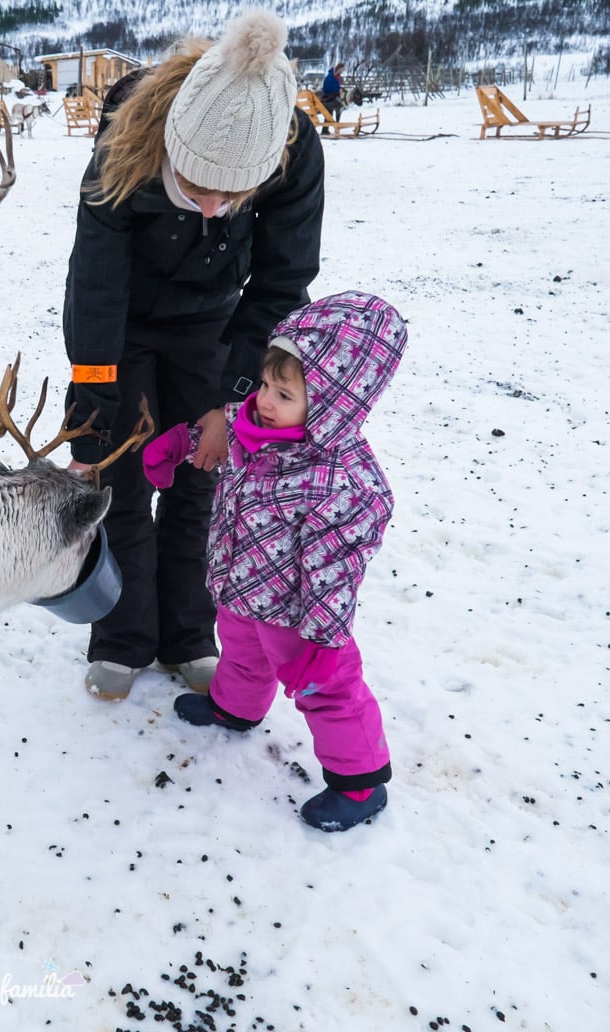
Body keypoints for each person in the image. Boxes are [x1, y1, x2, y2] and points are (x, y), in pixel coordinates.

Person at [60, 8, 324, 704]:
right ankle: (121, 638)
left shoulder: (293, 149)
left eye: (230, 197)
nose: (212, 208)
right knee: (120, 474)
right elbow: (95, 285)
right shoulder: (125, 147)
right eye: (196, 188)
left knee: (199, 478)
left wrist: (230, 399)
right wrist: (91, 412)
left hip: (216, 322)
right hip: (123, 323)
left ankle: (185, 634)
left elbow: (281, 284)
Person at [142, 292, 405, 831]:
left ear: (335, 402)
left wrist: (322, 642)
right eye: (265, 384)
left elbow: (335, 575)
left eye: (284, 393)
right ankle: (235, 709)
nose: (264, 399)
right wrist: (180, 443)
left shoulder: (343, 484)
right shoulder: (253, 431)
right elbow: (224, 436)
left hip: (297, 618)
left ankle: (360, 785)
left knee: (327, 692)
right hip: (240, 587)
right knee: (241, 654)